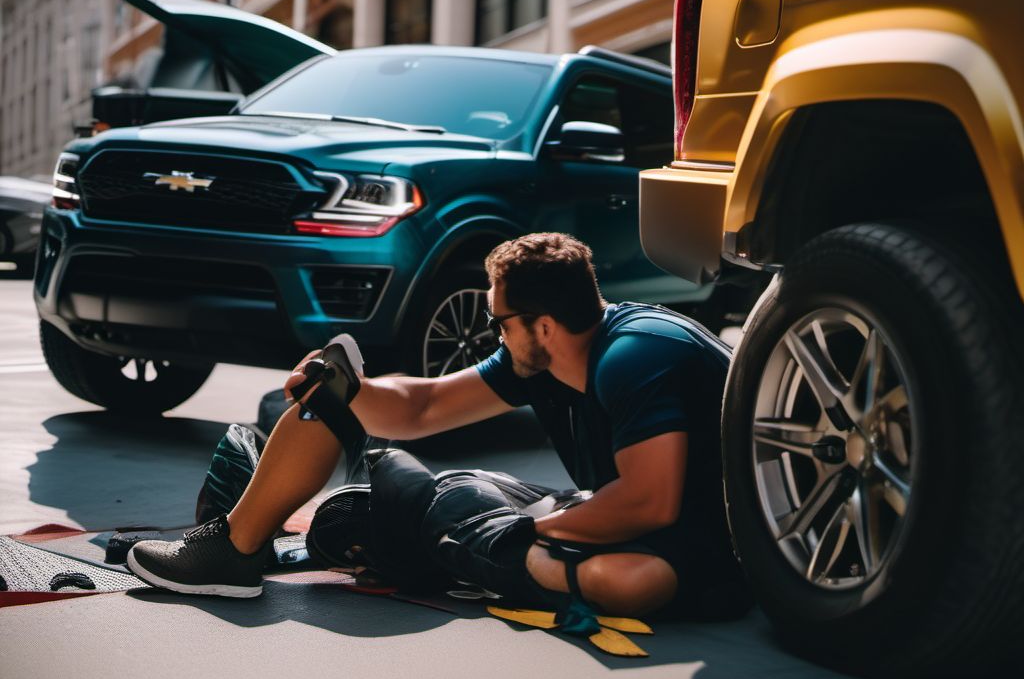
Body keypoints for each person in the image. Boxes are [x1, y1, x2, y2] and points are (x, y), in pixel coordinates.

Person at [126, 233, 750, 620]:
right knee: (334, 410)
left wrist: (529, 529)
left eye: (500, 320)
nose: (492, 333)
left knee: (627, 580)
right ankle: (232, 550)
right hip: (603, 514)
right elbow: (424, 407)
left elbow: (651, 500)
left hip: (704, 540)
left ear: (544, 325)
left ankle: (478, 548)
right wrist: (348, 388)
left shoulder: (635, 355)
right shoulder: (549, 350)